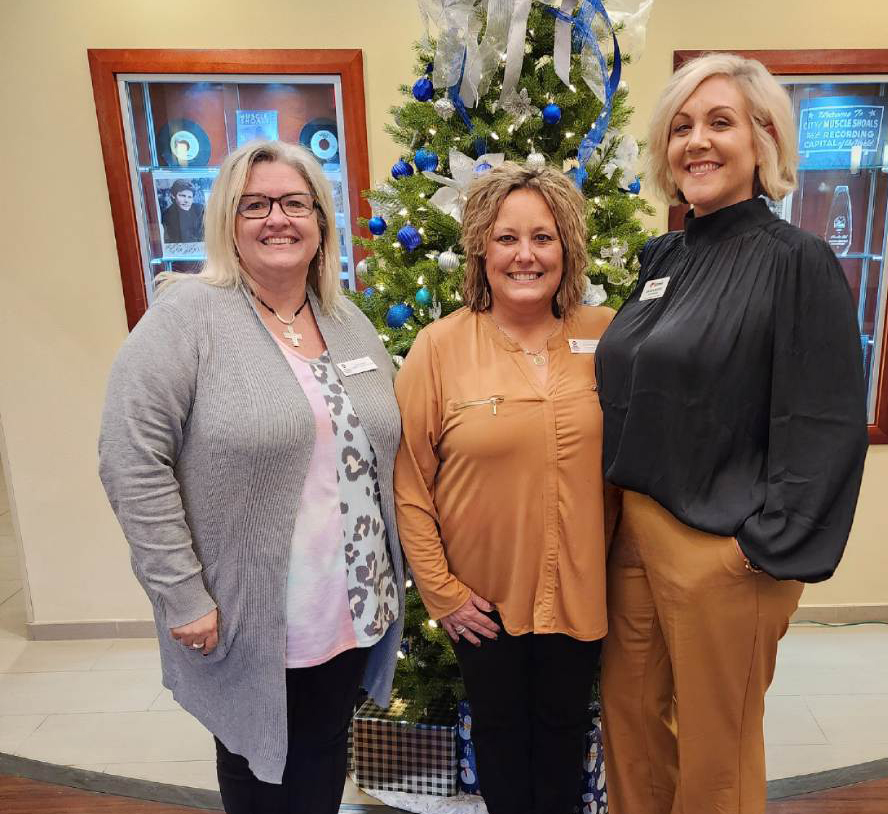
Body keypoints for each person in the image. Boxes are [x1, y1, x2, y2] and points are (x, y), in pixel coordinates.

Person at [595, 53, 869, 814]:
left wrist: (760, 550)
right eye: (681, 127)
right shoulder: (666, 257)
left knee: (716, 758)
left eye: (720, 122)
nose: (696, 142)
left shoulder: (798, 263)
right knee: (631, 732)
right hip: (634, 533)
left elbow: (824, 420)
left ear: (764, 141)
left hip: (723, 551)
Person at [99, 140, 405, 814]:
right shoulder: (187, 317)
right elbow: (129, 456)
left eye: (296, 203)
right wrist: (181, 593)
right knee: (260, 775)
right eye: (255, 205)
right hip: (253, 616)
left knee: (324, 755)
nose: (278, 219)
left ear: (321, 221)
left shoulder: (346, 320)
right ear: (227, 222)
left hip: (350, 606)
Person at [394, 163, 613, 814]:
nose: (526, 255)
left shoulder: (606, 335)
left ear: (566, 249)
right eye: (507, 238)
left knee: (563, 734)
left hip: (579, 593)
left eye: (543, 238)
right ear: (481, 249)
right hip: (483, 605)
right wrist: (444, 593)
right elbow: (409, 482)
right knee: (500, 737)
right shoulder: (439, 348)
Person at [162, 178, 206, 243]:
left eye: (189, 197)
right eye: (182, 196)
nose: (186, 200)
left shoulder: (200, 209)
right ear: (174, 196)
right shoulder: (168, 214)